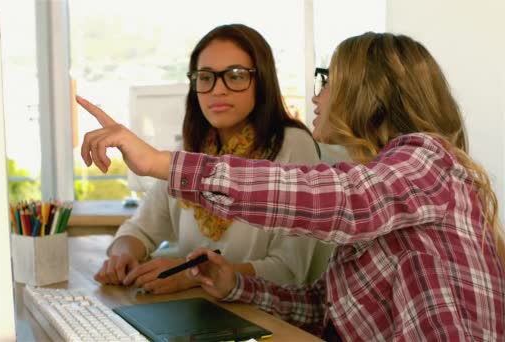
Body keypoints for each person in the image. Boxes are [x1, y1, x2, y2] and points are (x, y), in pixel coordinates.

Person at [77, 32, 505, 340]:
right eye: (205, 77)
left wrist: (158, 163)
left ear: (368, 93)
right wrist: (234, 284)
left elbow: (343, 199)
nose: (318, 96)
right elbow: (324, 309)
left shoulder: (428, 159)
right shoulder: (388, 178)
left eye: (327, 79)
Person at [92, 24, 332, 295]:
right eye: (206, 77)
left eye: (236, 75)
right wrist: (123, 254)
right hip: (193, 312)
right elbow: (140, 229)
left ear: (262, 81)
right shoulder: (190, 151)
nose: (218, 89)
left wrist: (192, 274)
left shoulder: (292, 145)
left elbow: (289, 269)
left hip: (260, 318)